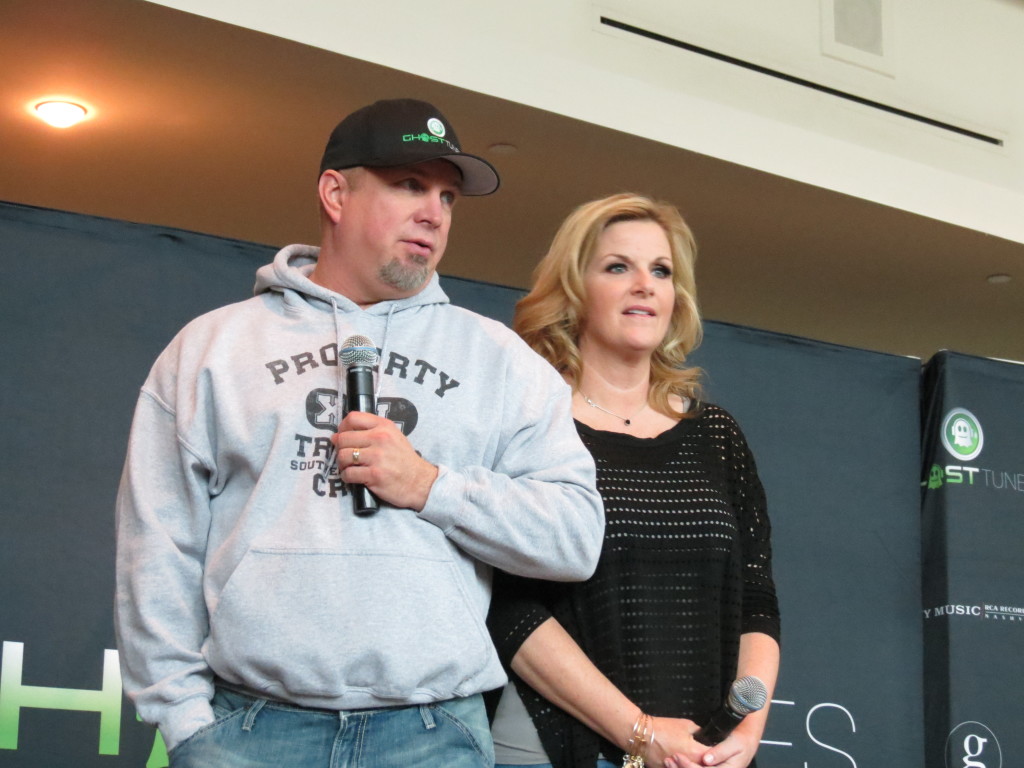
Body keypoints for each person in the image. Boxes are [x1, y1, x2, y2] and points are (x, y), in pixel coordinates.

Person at [114, 98, 605, 768]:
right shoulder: (213, 348)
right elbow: (156, 548)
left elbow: (574, 538)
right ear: (335, 193)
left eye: (447, 196)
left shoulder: (501, 362)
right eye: (409, 185)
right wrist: (187, 723)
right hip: (251, 732)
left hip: (434, 736)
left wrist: (430, 485)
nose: (433, 212)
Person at [487, 193, 781, 768]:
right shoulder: (530, 425)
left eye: (661, 270)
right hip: (557, 744)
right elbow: (510, 608)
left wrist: (743, 736)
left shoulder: (717, 435)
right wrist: (641, 734)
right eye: (618, 267)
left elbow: (758, 600)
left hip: (700, 753)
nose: (644, 284)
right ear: (575, 290)